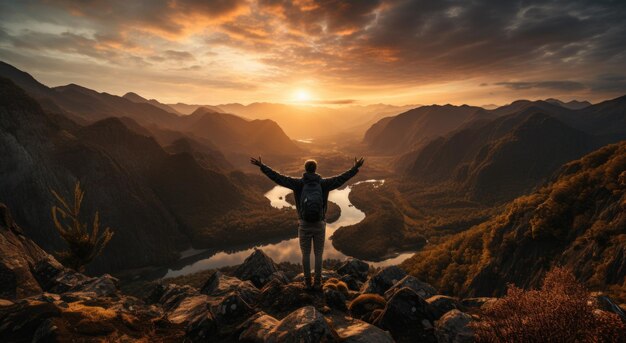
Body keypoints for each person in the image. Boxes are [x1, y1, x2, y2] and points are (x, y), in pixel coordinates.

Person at [250, 156, 365, 290]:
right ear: (315, 170)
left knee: (305, 254)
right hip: (319, 224)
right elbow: (342, 178)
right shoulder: (324, 183)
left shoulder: (298, 183)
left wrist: (262, 167)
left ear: (305, 169)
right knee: (318, 254)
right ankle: (317, 282)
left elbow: (278, 177)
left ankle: (307, 282)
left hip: (304, 224)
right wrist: (355, 168)